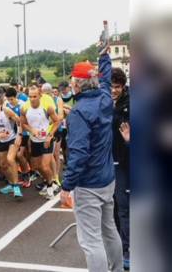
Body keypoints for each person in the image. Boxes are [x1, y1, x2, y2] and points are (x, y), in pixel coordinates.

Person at [60, 48, 124, 272]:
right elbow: (105, 79)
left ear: (77, 85)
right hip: (108, 178)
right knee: (109, 230)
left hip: (89, 184)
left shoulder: (78, 112)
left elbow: (78, 154)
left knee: (91, 241)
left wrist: (66, 186)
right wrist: (104, 56)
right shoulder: (105, 98)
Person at [20, 85, 60, 199]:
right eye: (30, 96)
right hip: (34, 140)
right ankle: (49, 181)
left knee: (44, 165)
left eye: (34, 96)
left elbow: (57, 121)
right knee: (35, 166)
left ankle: (50, 186)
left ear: (40, 96)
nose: (32, 99)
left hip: (46, 139)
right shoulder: (25, 108)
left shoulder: (47, 107)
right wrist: (31, 130)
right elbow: (23, 123)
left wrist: (50, 136)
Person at [111, 67, 130, 269]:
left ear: (123, 87)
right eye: (110, 86)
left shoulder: (131, 104)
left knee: (125, 209)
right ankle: (117, 247)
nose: (113, 90)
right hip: (110, 163)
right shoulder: (107, 103)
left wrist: (129, 141)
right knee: (114, 208)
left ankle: (127, 250)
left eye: (116, 87)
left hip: (127, 163)